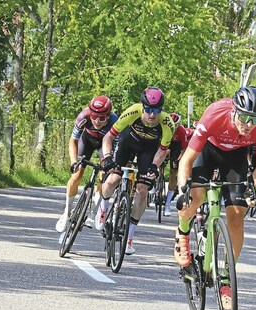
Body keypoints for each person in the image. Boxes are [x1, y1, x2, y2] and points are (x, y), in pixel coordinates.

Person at [175, 86, 256, 310]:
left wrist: (252, 188)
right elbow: (187, 160)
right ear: (234, 111)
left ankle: (226, 279)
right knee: (195, 197)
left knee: (237, 216)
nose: (248, 125)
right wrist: (182, 189)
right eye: (245, 117)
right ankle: (183, 233)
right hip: (207, 152)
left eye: (254, 120)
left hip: (235, 158)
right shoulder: (214, 115)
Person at [94, 87, 176, 255]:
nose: (152, 115)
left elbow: (162, 150)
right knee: (112, 179)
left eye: (157, 110)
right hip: (127, 143)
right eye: (148, 110)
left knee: (142, 191)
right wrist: (108, 157)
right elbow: (108, 137)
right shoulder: (132, 111)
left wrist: (154, 166)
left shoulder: (167, 123)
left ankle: (129, 237)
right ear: (142, 106)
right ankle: (103, 209)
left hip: (149, 150)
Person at [55, 95, 118, 233]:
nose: (97, 121)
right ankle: (66, 212)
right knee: (76, 176)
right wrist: (73, 161)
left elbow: (116, 145)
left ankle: (93, 212)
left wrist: (110, 163)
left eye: (102, 118)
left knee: (105, 177)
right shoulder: (83, 116)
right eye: (94, 116)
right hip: (87, 140)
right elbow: (73, 141)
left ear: (108, 116)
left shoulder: (115, 121)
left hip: (105, 144)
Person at [163, 113, 194, 217]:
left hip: (177, 147)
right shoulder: (164, 126)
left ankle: (167, 204)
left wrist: (179, 159)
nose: (174, 127)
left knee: (173, 174)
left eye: (176, 125)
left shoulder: (181, 130)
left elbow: (184, 148)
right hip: (165, 143)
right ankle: (156, 183)